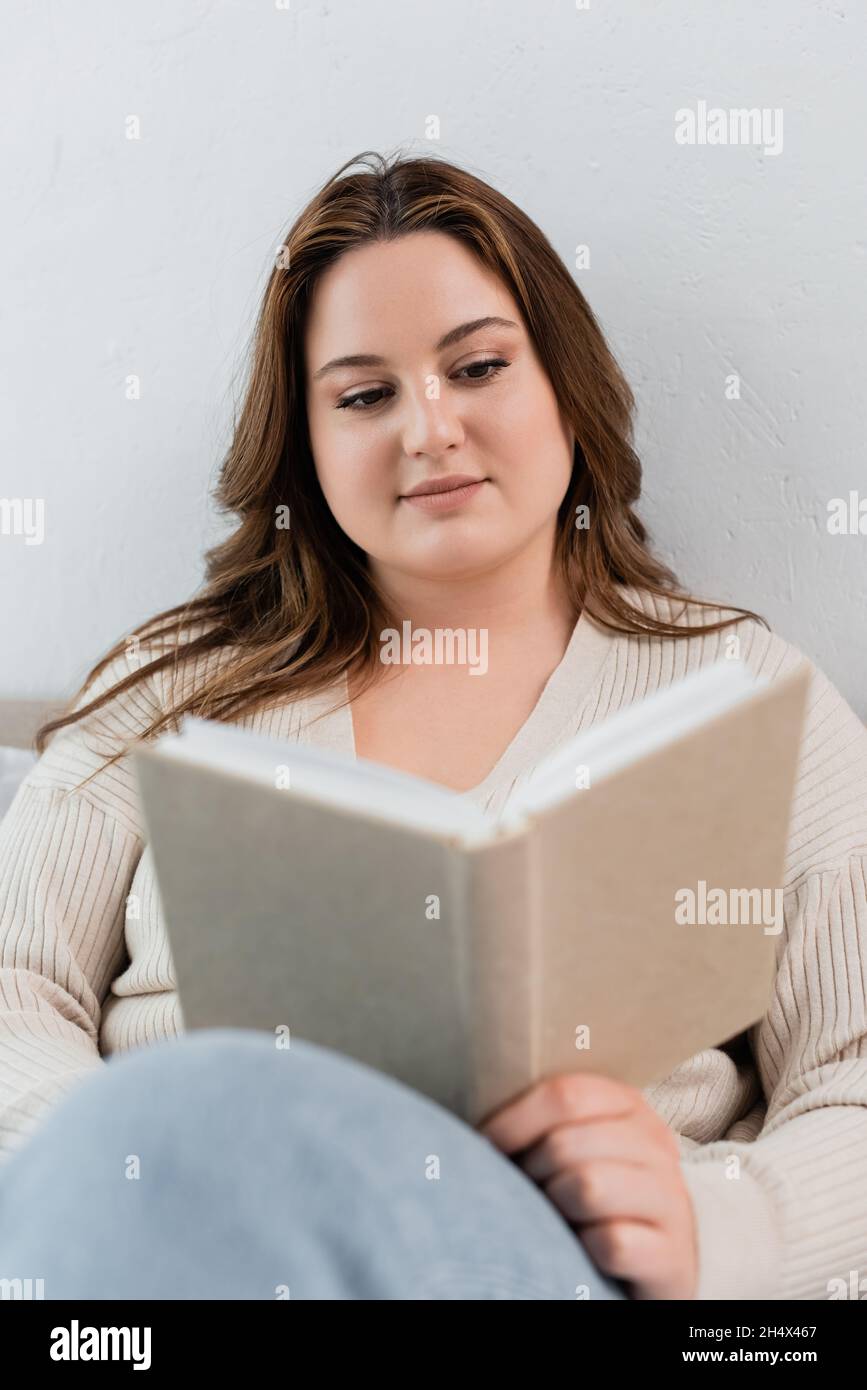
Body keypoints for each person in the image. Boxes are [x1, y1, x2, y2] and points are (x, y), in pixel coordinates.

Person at [1, 151, 865, 1301]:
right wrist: (130, 1169)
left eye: (478, 367)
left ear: (564, 383)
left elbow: (851, 1079)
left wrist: (718, 1224)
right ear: (305, 446)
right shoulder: (174, 688)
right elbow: (16, 985)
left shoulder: (748, 692)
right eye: (365, 395)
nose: (431, 428)